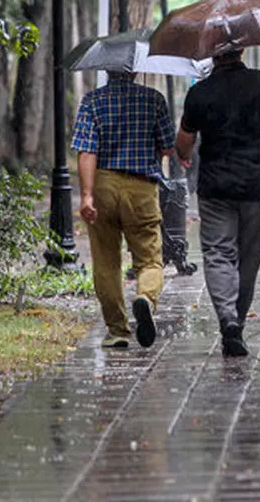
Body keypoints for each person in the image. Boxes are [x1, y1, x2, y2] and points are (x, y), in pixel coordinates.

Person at [176, 49, 260, 358]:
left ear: (212, 56)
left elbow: (184, 143)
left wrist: (186, 156)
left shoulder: (199, 93)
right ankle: (236, 321)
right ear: (242, 50)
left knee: (218, 252)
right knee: (248, 258)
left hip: (216, 186)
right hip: (259, 185)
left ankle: (228, 319)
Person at [72, 71, 176, 349]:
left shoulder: (93, 101)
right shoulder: (153, 100)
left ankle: (118, 330)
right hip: (142, 187)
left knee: (106, 261)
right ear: (134, 71)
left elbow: (86, 152)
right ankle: (145, 297)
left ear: (107, 70)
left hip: (103, 184)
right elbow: (168, 147)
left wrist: (86, 196)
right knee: (150, 258)